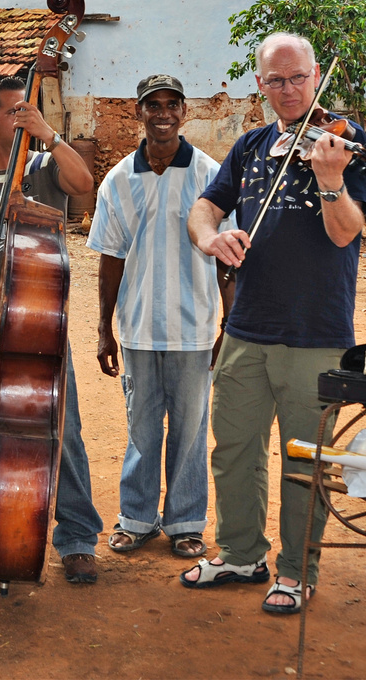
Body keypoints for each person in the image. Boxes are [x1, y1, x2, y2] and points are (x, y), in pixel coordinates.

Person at [185, 34, 366, 615]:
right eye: (275, 81)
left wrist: (331, 180)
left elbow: (346, 231)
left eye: (297, 79)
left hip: (316, 333)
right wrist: (211, 238)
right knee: (234, 448)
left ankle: (295, 570)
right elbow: (203, 208)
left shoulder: (342, 144)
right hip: (246, 329)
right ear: (260, 85)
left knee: (304, 459)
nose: (288, 91)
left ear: (317, 75)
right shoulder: (250, 146)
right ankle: (241, 553)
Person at [0, 76, 104, 585]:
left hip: (38, 316)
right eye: (14, 112)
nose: (22, 117)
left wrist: (49, 134)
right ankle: (4, 529)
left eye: (27, 111)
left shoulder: (46, 167)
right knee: (1, 427)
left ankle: (77, 538)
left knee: (62, 425)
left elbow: (85, 186)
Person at [86, 74, 223, 563]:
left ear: (184, 111)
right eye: (153, 105)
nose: (162, 113)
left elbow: (227, 259)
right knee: (142, 429)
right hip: (139, 328)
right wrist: (105, 329)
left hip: (195, 328)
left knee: (189, 432)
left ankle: (186, 524)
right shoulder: (120, 179)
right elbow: (110, 257)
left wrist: (227, 324)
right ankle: (137, 519)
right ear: (138, 112)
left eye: (171, 104)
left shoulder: (211, 174)